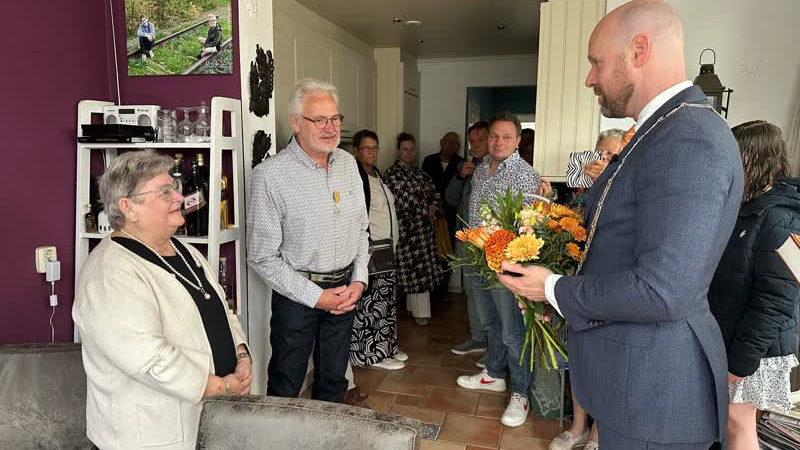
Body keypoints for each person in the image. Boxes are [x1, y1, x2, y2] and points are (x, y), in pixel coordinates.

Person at [498, 1, 744, 448]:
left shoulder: (688, 136)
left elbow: (664, 289)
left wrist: (553, 288)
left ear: (639, 50)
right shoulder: (657, 131)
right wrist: (558, 296)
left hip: (653, 395)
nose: (589, 78)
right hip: (633, 382)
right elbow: (615, 244)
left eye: (596, 62)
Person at [72, 150, 251, 450]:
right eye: (165, 191)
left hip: (212, 419)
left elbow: (221, 309)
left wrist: (242, 355)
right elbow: (149, 358)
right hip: (150, 437)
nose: (180, 197)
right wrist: (222, 386)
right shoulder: (108, 272)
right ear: (129, 207)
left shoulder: (184, 251)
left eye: (175, 188)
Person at [247, 78, 369, 403]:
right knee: (286, 385)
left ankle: (326, 431)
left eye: (335, 118)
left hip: (345, 292)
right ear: (296, 122)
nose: (331, 128)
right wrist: (316, 297)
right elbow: (261, 255)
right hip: (297, 297)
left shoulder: (348, 164)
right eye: (319, 119)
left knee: (334, 383)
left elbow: (362, 230)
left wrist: (359, 280)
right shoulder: (270, 175)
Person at [708, 120, 800, 450]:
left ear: (757, 158)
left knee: (738, 423)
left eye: (735, 155)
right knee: (730, 422)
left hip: (754, 350)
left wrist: (740, 362)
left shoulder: (781, 217)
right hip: (736, 339)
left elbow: (776, 301)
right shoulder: (751, 208)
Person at [456, 112, 542, 428]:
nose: (499, 142)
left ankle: (520, 393)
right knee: (490, 322)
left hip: (507, 264)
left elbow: (530, 224)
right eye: (494, 136)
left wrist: (512, 262)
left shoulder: (525, 174)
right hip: (478, 258)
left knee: (512, 331)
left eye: (507, 137)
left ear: (518, 141)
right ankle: (494, 374)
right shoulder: (480, 170)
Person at [549, 128, 626, 450]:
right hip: (577, 282)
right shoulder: (580, 189)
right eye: (601, 153)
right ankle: (578, 426)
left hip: (611, 285)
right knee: (577, 356)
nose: (604, 160)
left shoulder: (627, 188)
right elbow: (565, 229)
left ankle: (597, 434)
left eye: (612, 155)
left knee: (606, 363)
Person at [350, 129, 409, 370]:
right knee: (372, 302)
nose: (371, 152)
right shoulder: (356, 176)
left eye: (374, 147)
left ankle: (387, 347)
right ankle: (371, 354)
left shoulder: (376, 173)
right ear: (356, 150)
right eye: (366, 147)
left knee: (386, 300)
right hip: (371, 248)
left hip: (385, 247)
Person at [384, 132, 443, 326]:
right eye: (405, 149)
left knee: (420, 273)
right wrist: (427, 210)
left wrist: (434, 207)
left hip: (425, 231)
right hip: (406, 232)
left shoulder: (421, 173)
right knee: (414, 273)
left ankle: (414, 308)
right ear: (398, 151)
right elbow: (403, 202)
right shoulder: (392, 174)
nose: (409, 153)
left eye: (412, 149)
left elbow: (435, 193)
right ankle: (421, 313)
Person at [446, 121, 490, 364]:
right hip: (466, 238)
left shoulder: (496, 168)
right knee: (472, 290)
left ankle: (493, 344)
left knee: (490, 292)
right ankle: (478, 337)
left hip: (489, 241)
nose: (475, 145)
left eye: (480, 140)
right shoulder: (466, 167)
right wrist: (460, 176)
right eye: (472, 141)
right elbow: (451, 200)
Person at [422, 131, 464, 249]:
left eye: (454, 143)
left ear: (457, 146)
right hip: (431, 212)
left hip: (452, 214)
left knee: (450, 247)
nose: (450, 145)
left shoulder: (461, 164)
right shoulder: (429, 160)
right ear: (441, 143)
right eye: (447, 141)